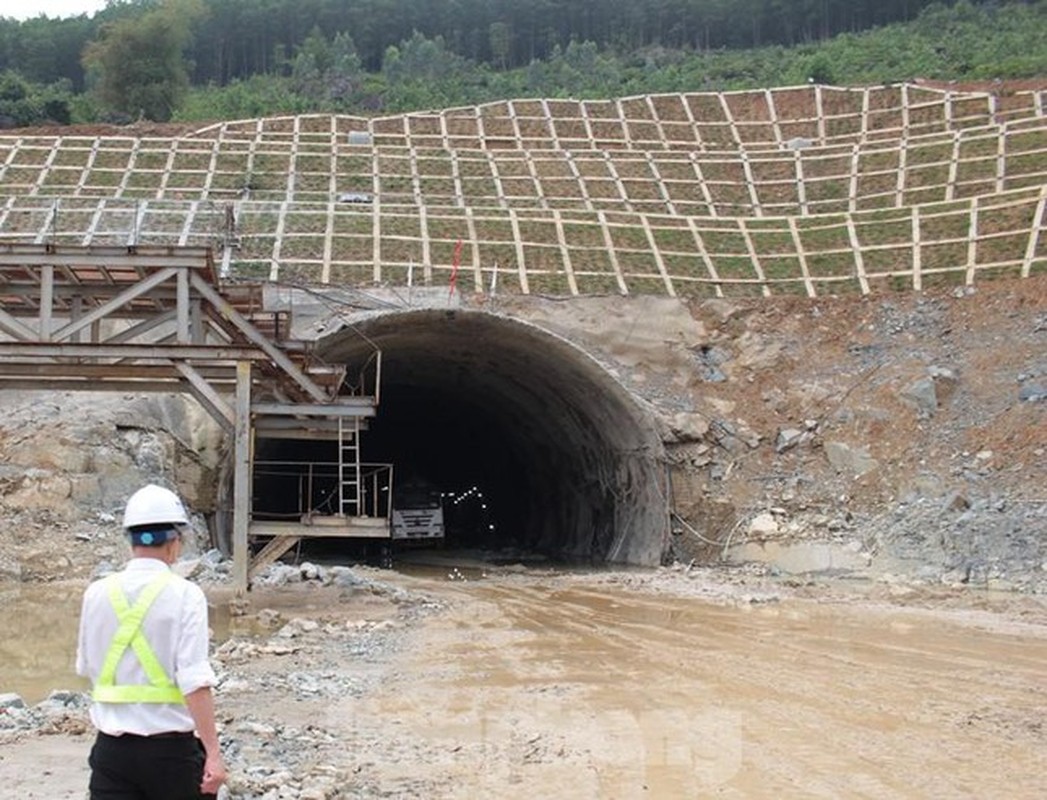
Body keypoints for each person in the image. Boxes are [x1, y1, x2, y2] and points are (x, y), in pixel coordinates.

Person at [76, 484, 228, 800]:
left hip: (111, 753)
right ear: (174, 543)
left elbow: (87, 665)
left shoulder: (96, 593)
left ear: (129, 539)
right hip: (170, 753)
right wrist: (213, 753)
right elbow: (194, 681)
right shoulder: (186, 595)